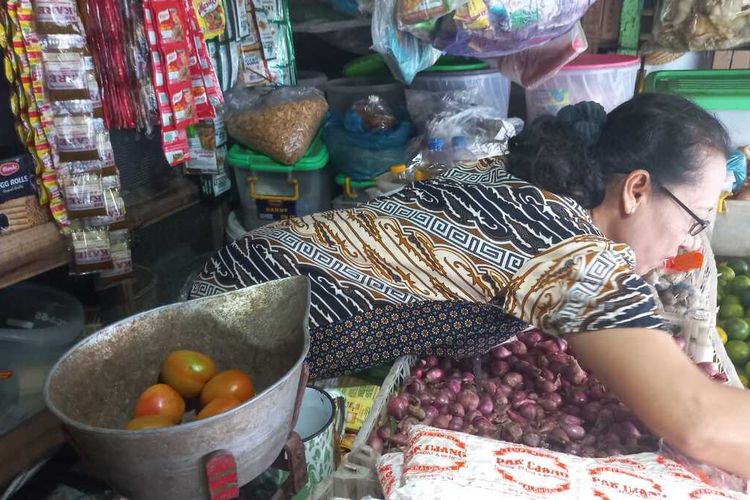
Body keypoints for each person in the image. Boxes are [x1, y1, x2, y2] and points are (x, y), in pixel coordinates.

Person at [191, 93, 750, 479]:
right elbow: (697, 419)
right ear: (636, 189)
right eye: (695, 220)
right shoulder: (573, 255)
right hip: (240, 331)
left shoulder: (527, 183)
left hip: (238, 279)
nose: (690, 245)